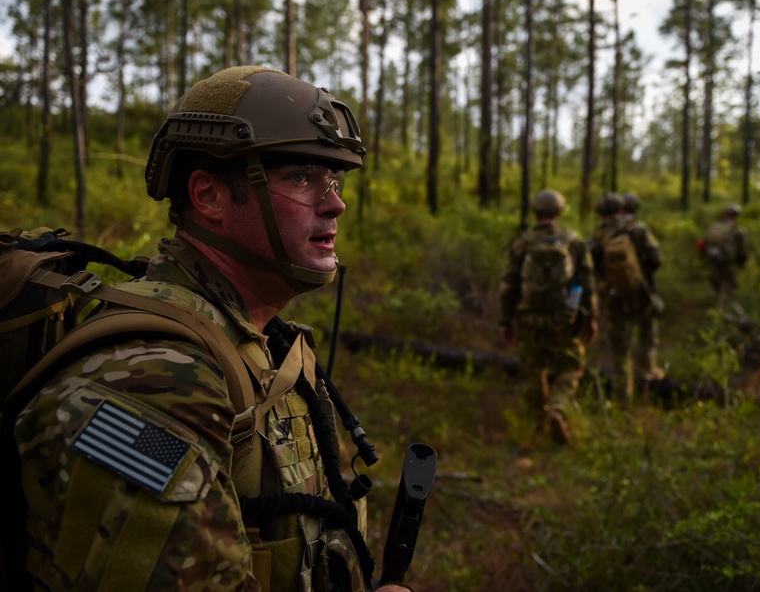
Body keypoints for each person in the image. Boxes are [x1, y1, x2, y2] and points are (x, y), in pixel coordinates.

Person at [13, 67, 412, 591]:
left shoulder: (260, 339)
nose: (334, 203)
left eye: (332, 180)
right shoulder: (149, 383)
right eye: (300, 177)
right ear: (209, 197)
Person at [499, 189, 598, 444]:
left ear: (536, 211)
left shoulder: (523, 242)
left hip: (528, 319)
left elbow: (509, 285)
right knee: (570, 367)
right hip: (564, 320)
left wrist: (505, 321)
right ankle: (558, 408)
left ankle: (535, 429)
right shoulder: (573, 242)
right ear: (559, 211)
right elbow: (587, 283)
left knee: (533, 372)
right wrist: (591, 318)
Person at [590, 192, 663, 405]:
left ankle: (623, 398)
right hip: (642, 291)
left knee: (621, 350)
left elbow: (591, 268)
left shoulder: (597, 236)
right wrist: (639, 274)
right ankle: (648, 371)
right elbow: (657, 258)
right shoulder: (637, 230)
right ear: (621, 210)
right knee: (648, 329)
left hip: (613, 296)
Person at [701, 204, 748, 312]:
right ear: (736, 216)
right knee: (726, 294)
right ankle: (720, 320)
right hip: (729, 266)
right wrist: (741, 264)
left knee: (720, 292)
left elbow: (705, 245)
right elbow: (743, 251)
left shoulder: (714, 227)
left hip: (714, 265)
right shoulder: (739, 230)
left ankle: (724, 312)